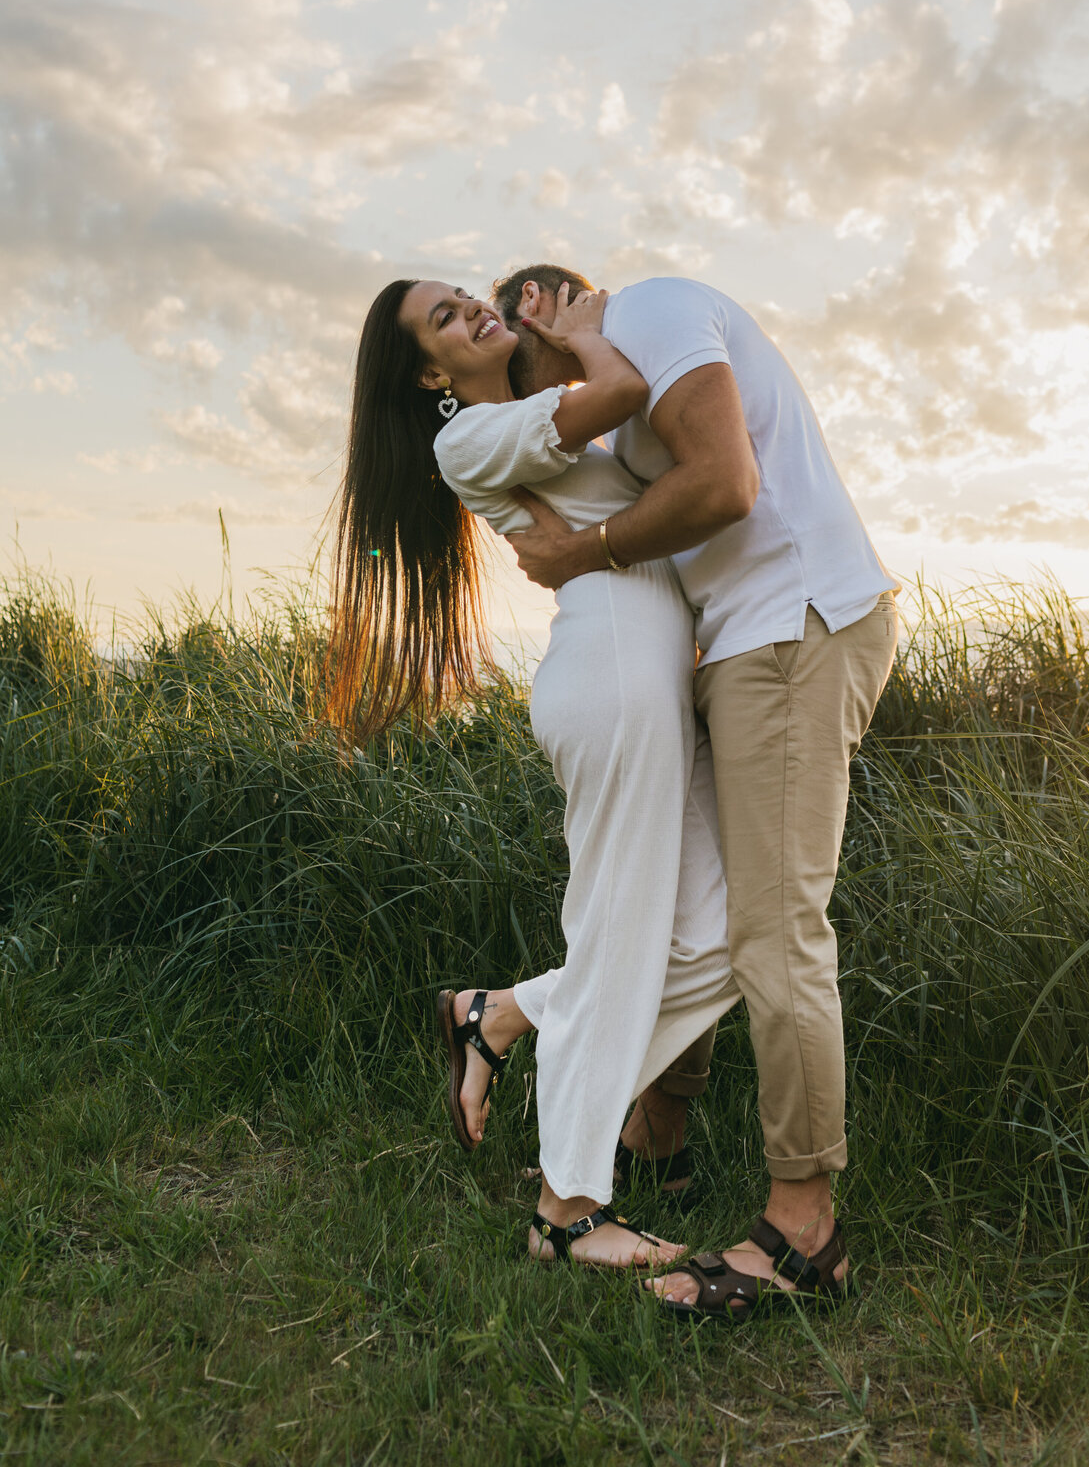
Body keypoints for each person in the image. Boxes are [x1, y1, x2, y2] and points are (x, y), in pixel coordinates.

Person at [491, 264, 900, 1317]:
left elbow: (725, 483)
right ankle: (658, 1138)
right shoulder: (620, 386)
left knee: (775, 933)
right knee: (691, 907)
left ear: (538, 305)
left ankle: (803, 1230)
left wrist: (584, 555)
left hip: (792, 631)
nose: (535, 411)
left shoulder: (654, 312)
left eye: (514, 375)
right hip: (739, 646)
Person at [325, 277, 740, 1271]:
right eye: (444, 318)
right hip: (610, 679)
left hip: (643, 681)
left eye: (463, 293)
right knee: (623, 931)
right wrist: (585, 333)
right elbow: (622, 392)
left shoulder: (513, 420)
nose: (471, 307)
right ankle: (569, 1210)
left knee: (728, 935)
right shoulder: (468, 439)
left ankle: (500, 1014)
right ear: (430, 373)